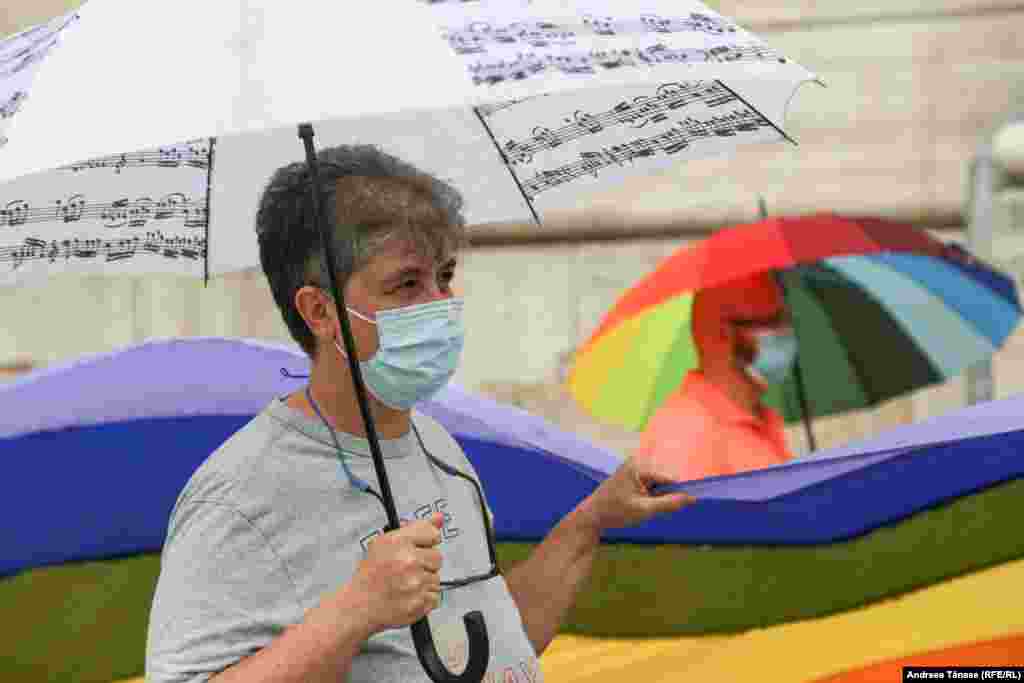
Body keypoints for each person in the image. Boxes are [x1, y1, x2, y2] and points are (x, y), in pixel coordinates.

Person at [145, 144, 694, 683]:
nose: (440, 304)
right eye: (407, 284)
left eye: (445, 276)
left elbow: (491, 643)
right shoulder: (239, 498)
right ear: (320, 311)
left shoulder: (436, 446)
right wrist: (354, 611)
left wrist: (591, 521)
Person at [636, 272, 797, 483]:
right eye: (770, 321)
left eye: (785, 318)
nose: (785, 332)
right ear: (723, 334)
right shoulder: (684, 435)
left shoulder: (760, 418)